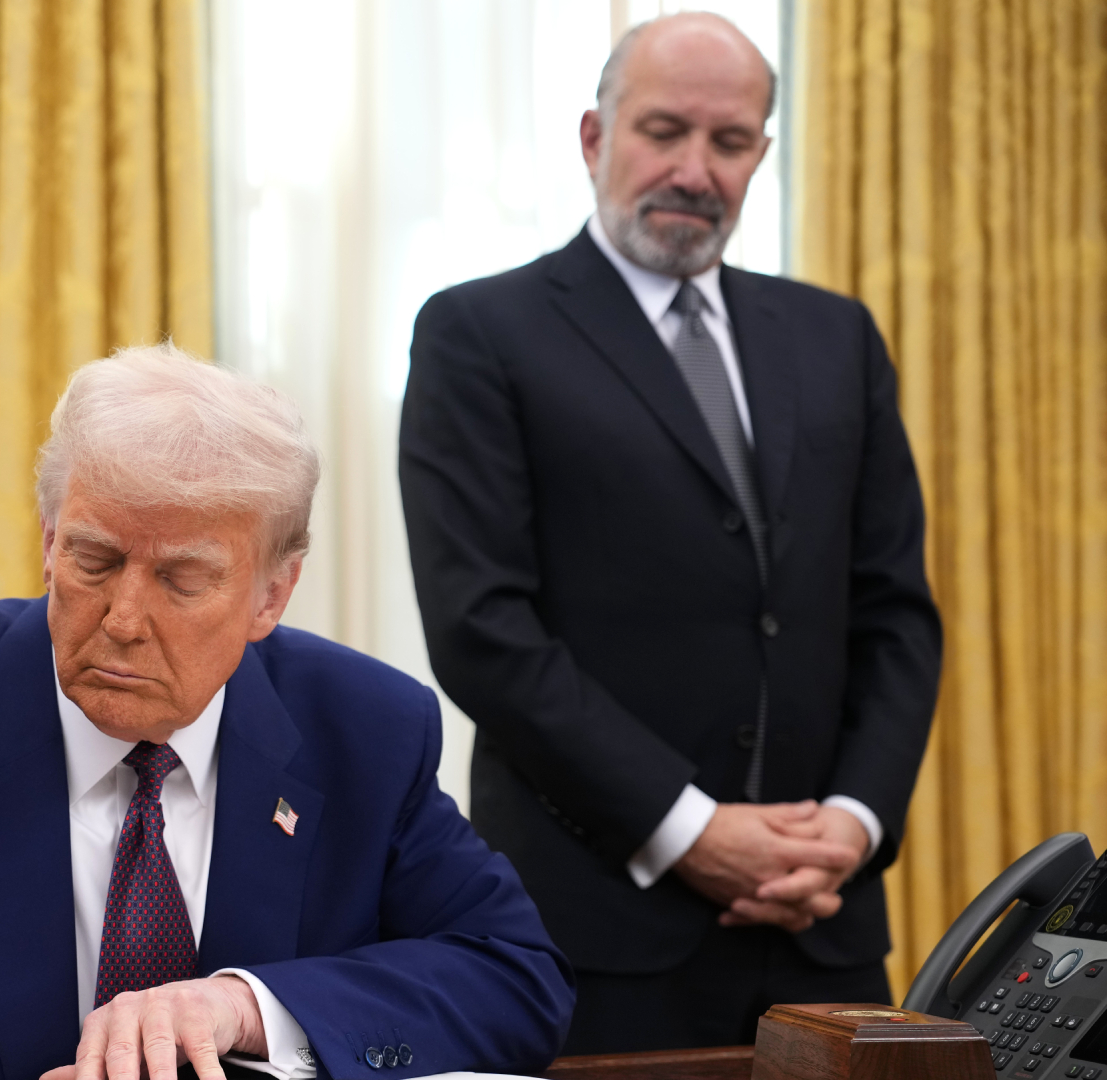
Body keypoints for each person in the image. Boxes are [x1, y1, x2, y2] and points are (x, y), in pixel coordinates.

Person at [0, 344, 574, 1080]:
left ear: (271, 596)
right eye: (94, 560)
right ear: (46, 543)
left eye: (183, 579)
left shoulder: (364, 728)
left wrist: (247, 1008)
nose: (122, 619)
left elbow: (514, 977)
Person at [397, 12, 942, 1055]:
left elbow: (896, 613)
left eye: (730, 142)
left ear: (761, 157)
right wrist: (690, 829)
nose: (695, 169)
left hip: (824, 928)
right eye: (663, 131)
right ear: (595, 138)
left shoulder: (838, 338)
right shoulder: (478, 334)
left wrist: (855, 825)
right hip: (594, 930)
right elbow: (483, 629)